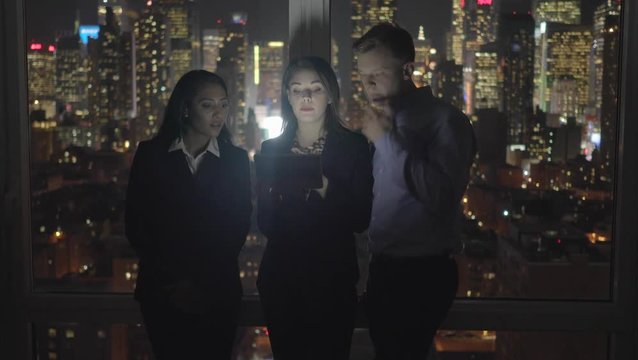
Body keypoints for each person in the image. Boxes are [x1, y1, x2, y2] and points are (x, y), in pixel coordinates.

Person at [353, 23, 476, 360]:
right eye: (363, 77)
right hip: (382, 271)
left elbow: (441, 196)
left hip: (421, 275)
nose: (369, 84)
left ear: (408, 69)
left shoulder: (445, 122)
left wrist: (386, 142)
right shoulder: (381, 124)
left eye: (378, 73)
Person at [125, 70, 252, 359]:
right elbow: (137, 226)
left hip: (217, 293)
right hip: (163, 292)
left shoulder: (236, 160)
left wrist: (201, 286)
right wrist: (178, 284)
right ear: (185, 108)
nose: (218, 114)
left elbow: (236, 228)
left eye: (224, 104)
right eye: (208, 105)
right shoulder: (150, 155)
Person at [256, 56, 373, 360]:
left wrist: (324, 188)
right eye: (297, 90)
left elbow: (361, 217)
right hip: (282, 281)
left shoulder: (354, 147)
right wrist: (279, 194)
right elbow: (265, 223)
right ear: (287, 96)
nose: (306, 97)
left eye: (315, 88)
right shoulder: (270, 151)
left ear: (330, 94)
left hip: (333, 281)